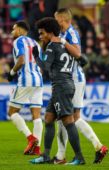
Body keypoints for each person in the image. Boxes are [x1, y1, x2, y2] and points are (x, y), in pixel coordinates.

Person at [53, 8, 108, 164]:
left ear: (62, 20)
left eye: (56, 19)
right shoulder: (63, 34)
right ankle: (61, 156)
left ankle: (97, 147)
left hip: (74, 79)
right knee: (63, 118)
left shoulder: (71, 33)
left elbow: (78, 52)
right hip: (68, 79)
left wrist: (62, 42)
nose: (54, 22)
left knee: (73, 118)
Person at [31, 17, 85, 165]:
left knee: (68, 121)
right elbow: (79, 57)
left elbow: (46, 67)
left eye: (42, 33)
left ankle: (79, 157)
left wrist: (36, 55)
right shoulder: (65, 45)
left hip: (61, 86)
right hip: (64, 85)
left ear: (50, 32)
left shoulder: (51, 47)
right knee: (48, 119)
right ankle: (46, 156)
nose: (40, 36)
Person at [7, 21, 43, 155]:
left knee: (12, 112)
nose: (12, 32)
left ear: (21, 31)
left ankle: (31, 138)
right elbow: (41, 62)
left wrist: (11, 73)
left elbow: (21, 60)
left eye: (13, 29)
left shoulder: (18, 41)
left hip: (25, 80)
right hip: (38, 80)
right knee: (37, 116)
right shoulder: (35, 43)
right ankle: (37, 149)